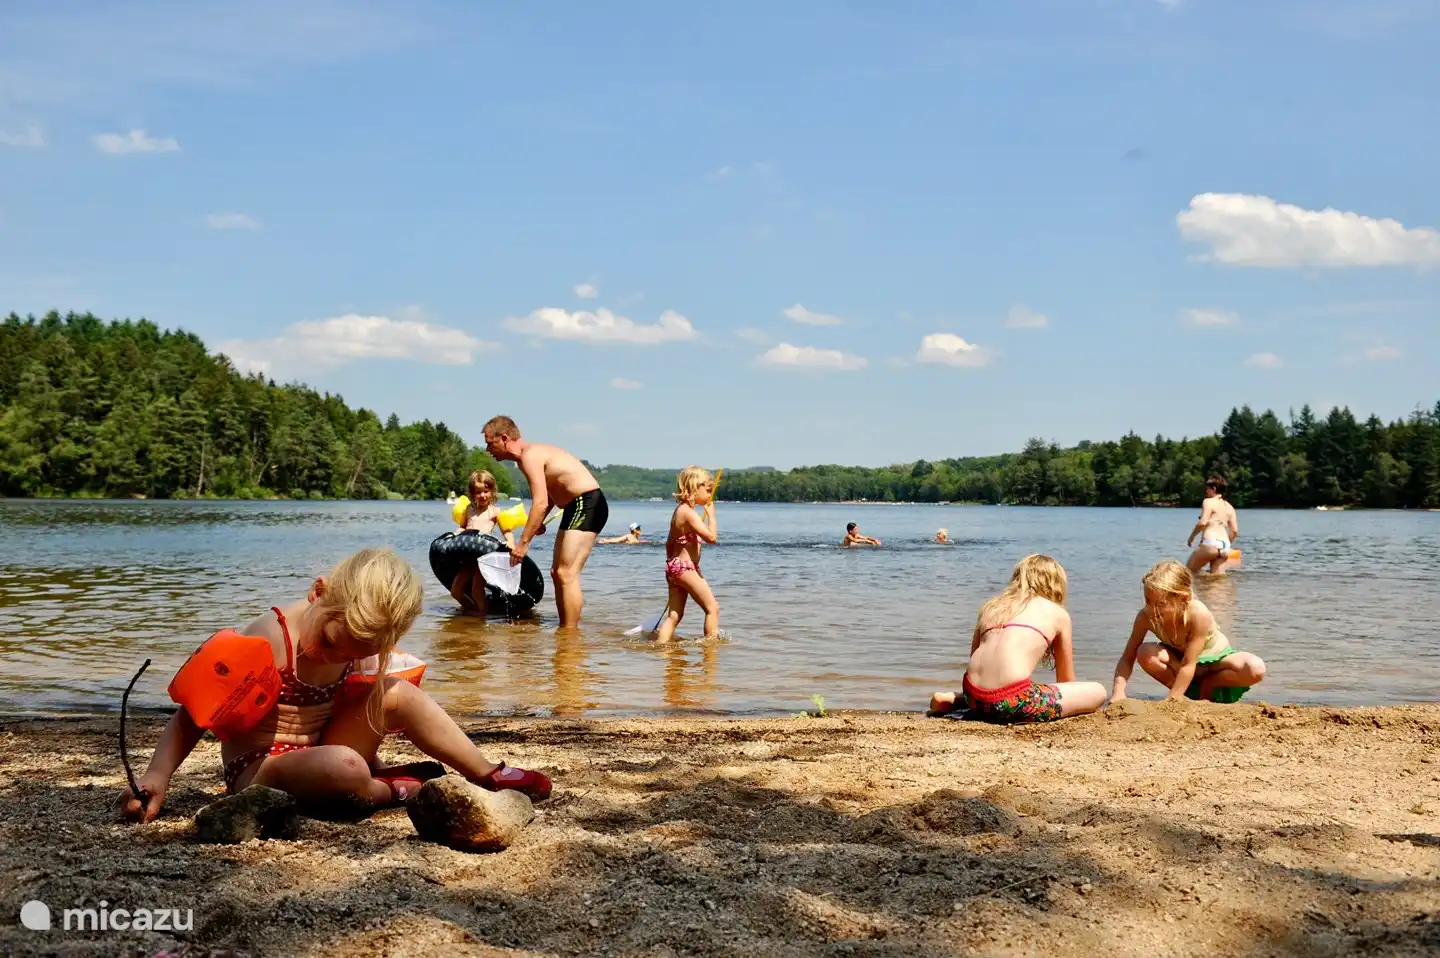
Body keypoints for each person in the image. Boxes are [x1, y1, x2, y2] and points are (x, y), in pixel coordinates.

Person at [119, 548, 551, 824]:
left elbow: (362, 696)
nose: (335, 658)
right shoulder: (269, 639)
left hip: (330, 743)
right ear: (318, 592)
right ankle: (389, 788)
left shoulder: (356, 640)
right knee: (344, 768)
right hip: (263, 766)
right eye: (330, 642)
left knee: (397, 695)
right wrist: (157, 777)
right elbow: (193, 716)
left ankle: (485, 774)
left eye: (352, 654)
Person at [928, 554, 1107, 723]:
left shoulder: (991, 607)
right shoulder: (1057, 614)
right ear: (1056, 584)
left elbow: (975, 660)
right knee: (1098, 691)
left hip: (973, 693)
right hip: (1013, 700)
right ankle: (992, 704)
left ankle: (958, 700)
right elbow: (1066, 681)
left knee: (992, 693)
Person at [482, 416, 608, 629]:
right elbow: (548, 497)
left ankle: (570, 633)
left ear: (504, 438)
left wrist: (523, 543)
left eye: (490, 443)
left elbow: (539, 502)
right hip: (574, 507)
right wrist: (538, 522)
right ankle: (565, 630)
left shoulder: (530, 455)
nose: (487, 449)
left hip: (587, 503)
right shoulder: (524, 460)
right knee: (557, 572)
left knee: (567, 573)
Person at [1110, 560, 1266, 704]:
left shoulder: (1197, 614)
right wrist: (1118, 692)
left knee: (1255, 668)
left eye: (1160, 604)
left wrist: (1171, 702)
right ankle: (1186, 696)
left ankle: (1208, 685)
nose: (1152, 610)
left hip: (1216, 663)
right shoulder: (1145, 617)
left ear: (1184, 599)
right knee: (1145, 652)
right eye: (1148, 601)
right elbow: (1127, 658)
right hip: (1181, 664)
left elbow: (1188, 664)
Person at [654, 467, 719, 643]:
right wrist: (712, 516)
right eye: (707, 490)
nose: (709, 495)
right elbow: (711, 537)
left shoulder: (678, 512)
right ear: (694, 487)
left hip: (674, 568)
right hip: (686, 569)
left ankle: (662, 647)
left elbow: (669, 543)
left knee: (674, 615)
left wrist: (672, 569)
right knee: (712, 608)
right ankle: (710, 649)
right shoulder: (689, 513)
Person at [449, 470, 515, 613]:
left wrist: (510, 542)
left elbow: (507, 531)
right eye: (478, 492)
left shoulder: (495, 512)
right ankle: (474, 612)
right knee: (456, 591)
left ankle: (481, 620)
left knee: (476, 591)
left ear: (492, 491)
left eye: (486, 491)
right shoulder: (469, 510)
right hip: (468, 556)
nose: (482, 495)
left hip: (484, 558)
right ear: (472, 494)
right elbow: (463, 527)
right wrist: (455, 534)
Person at [1186, 475, 1238, 575]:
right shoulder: (1230, 507)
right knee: (1216, 581)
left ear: (1213, 489)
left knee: (1186, 574)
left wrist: (1191, 537)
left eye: (1207, 489)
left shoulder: (1208, 502)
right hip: (1225, 546)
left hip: (1210, 543)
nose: (1206, 492)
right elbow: (1234, 531)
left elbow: (1202, 523)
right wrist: (1226, 546)